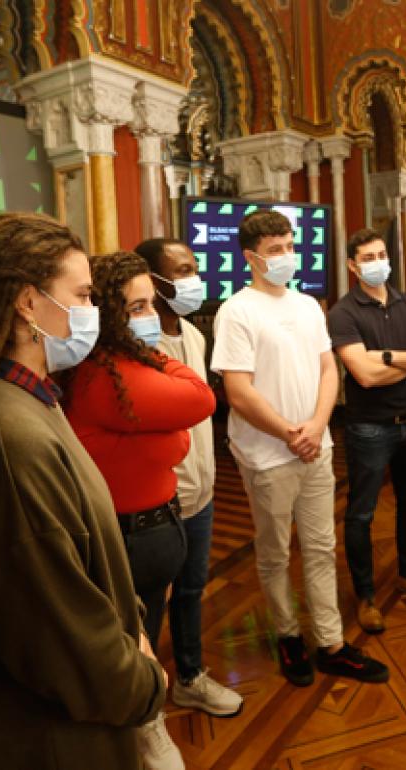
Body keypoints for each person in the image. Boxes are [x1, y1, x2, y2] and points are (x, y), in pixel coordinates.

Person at [0, 212, 167, 770]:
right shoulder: (11, 440)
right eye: (81, 295)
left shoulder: (28, 399)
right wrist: (145, 680)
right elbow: (61, 638)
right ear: (28, 304)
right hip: (56, 741)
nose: (91, 311)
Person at [211, 209, 389, 687]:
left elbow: (328, 370)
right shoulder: (237, 310)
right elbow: (238, 391)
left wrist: (316, 425)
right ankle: (289, 637)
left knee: (320, 546)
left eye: (290, 246)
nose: (287, 256)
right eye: (275, 250)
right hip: (268, 454)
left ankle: (330, 643)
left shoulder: (309, 305)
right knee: (273, 553)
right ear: (251, 258)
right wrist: (292, 432)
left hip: (317, 445)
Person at [63, 250, 217, 770]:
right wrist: (166, 419)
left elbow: (173, 438)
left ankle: (147, 721)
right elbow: (199, 397)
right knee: (133, 647)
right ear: (107, 315)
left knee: (147, 635)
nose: (151, 318)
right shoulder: (107, 376)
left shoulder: (124, 365)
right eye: (136, 308)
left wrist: (163, 428)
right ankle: (145, 734)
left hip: (156, 525)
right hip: (124, 539)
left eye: (150, 305)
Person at [134, 237, 244, 718]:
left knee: (193, 590)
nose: (192, 279)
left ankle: (191, 677)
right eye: (180, 272)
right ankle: (144, 697)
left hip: (202, 493)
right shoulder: (138, 344)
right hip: (158, 499)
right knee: (148, 602)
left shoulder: (195, 337)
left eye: (193, 268)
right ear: (152, 281)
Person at [327, 228, 406, 635]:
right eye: (367, 257)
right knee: (361, 514)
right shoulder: (343, 313)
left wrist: (387, 357)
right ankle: (365, 596)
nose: (377, 261)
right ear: (352, 265)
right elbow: (363, 375)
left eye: (381, 254)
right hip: (367, 428)